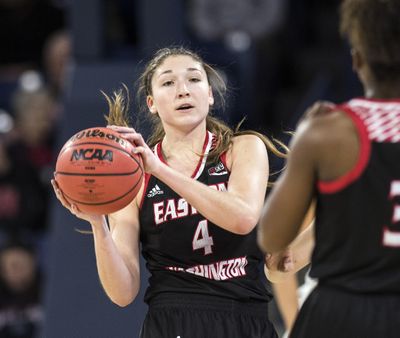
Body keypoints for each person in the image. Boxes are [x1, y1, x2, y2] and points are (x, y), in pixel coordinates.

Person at [51, 46, 287, 338]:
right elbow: (122, 293)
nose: (183, 91)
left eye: (194, 80)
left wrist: (160, 170)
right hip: (173, 320)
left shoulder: (243, 148)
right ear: (152, 103)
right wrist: (98, 224)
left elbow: (242, 218)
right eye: (168, 82)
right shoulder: (132, 177)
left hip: (243, 315)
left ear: (210, 95)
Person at [258, 0, 400, 337]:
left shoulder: (328, 132)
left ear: (357, 60)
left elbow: (272, 237)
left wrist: (302, 151)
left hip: (342, 313)